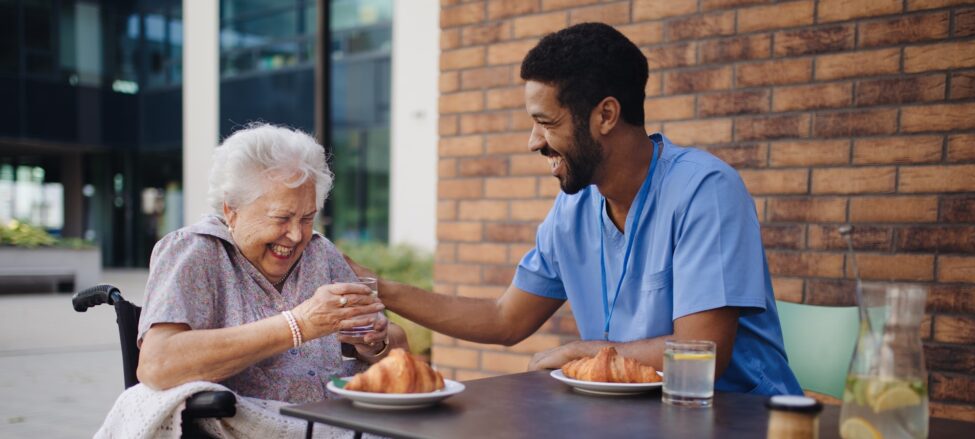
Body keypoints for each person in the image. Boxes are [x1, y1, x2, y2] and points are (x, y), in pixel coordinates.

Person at [349, 23, 801, 395]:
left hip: (740, 421)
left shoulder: (706, 190)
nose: (533, 142)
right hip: (632, 422)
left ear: (605, 116)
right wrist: (377, 287)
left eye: (547, 123)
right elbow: (504, 319)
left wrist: (583, 353)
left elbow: (703, 352)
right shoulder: (574, 209)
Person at [137, 123, 408, 404]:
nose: (297, 235)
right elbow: (157, 365)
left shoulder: (320, 252)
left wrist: (375, 343)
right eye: (281, 218)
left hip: (338, 421)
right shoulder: (196, 251)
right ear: (232, 210)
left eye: (307, 218)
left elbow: (397, 343)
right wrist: (299, 324)